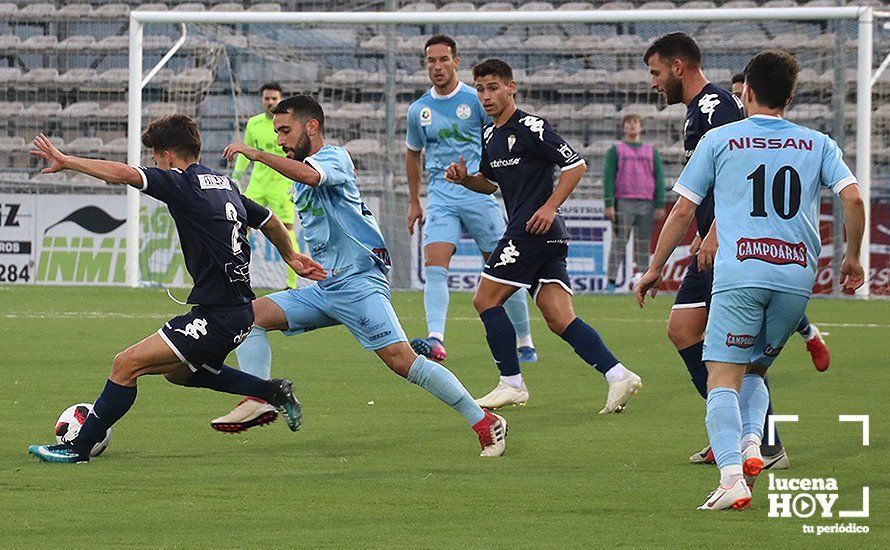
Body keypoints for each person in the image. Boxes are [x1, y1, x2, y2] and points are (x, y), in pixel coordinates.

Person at [217, 95, 509, 457]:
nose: (279, 140)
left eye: (285, 131)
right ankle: (260, 395)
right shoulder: (298, 176)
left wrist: (257, 155)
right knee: (250, 317)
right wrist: (302, 259)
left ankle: (484, 421)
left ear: (312, 127)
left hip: (359, 283)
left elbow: (313, 175)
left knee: (403, 362)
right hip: (327, 286)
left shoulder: (333, 157)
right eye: (276, 132)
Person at [636, 50, 865, 509]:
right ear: (791, 97)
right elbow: (854, 199)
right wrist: (853, 257)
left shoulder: (721, 139)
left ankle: (730, 478)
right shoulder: (818, 143)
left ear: (748, 93)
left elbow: (683, 209)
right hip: (796, 280)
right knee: (755, 368)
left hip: (741, 273)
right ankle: (752, 445)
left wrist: (656, 267)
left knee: (722, 375)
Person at [27, 115, 327, 463]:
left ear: (168, 154)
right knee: (181, 372)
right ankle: (270, 391)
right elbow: (270, 220)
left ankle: (78, 448)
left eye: (154, 157)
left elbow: (125, 173)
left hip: (219, 314)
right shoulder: (225, 184)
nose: (154, 163)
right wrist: (290, 255)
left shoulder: (182, 183)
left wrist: (67, 161)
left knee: (126, 365)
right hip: (240, 310)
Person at [445, 59, 642, 413]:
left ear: (511, 87)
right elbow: (489, 183)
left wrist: (550, 206)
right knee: (558, 317)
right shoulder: (490, 135)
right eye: (480, 89)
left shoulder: (532, 127)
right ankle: (618, 375)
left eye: (493, 88)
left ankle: (512, 383)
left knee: (485, 300)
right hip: (541, 234)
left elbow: (576, 165)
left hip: (532, 229)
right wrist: (465, 178)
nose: (486, 96)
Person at [645, 32, 802, 469]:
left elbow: (744, 170)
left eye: (657, 72)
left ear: (678, 67)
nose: (655, 82)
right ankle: (729, 432)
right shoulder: (699, 111)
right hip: (715, 241)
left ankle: (765, 445)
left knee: (738, 353)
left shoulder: (716, 108)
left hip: (733, 245)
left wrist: (714, 229)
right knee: (683, 330)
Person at [406, 35, 536, 364]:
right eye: (431, 61)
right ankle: (435, 339)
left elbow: (499, 135)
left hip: (478, 193)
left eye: (443, 60)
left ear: (456, 62)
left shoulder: (476, 99)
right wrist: (414, 201)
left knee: (503, 269)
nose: (437, 66)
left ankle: (525, 340)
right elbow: (413, 155)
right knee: (434, 266)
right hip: (441, 197)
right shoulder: (418, 110)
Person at [232, 82, 302, 290]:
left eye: (274, 99)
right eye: (267, 98)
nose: (270, 102)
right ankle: (235, 278)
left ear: (281, 100)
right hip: (258, 184)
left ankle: (292, 283)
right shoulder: (254, 124)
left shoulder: (290, 124)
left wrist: (296, 183)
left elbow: (297, 154)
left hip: (282, 184)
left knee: (287, 230)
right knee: (240, 227)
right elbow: (247, 153)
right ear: (262, 100)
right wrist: (236, 176)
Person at [603, 113, 665, 292]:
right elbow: (608, 177)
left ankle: (644, 281)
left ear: (641, 127)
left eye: (636, 122)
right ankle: (611, 282)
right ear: (624, 127)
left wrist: (659, 204)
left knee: (644, 243)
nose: (632, 126)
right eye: (629, 123)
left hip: (646, 202)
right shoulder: (616, 150)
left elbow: (659, 178)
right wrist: (609, 203)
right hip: (624, 201)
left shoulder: (651, 151)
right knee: (619, 242)